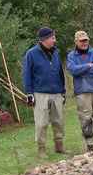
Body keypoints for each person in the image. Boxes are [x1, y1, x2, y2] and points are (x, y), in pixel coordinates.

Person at [23, 26, 66, 159]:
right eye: (52, 38)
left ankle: (59, 146)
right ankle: (41, 149)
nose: (55, 40)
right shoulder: (31, 53)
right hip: (40, 93)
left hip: (57, 92)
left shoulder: (56, 53)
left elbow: (60, 72)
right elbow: (26, 74)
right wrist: (29, 93)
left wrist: (63, 91)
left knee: (58, 121)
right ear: (44, 39)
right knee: (41, 123)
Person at [66, 30, 93, 152]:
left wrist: (82, 71)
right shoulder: (71, 56)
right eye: (82, 41)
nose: (84, 43)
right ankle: (89, 146)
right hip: (82, 91)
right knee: (85, 117)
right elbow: (73, 70)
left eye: (86, 40)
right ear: (76, 42)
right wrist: (88, 66)